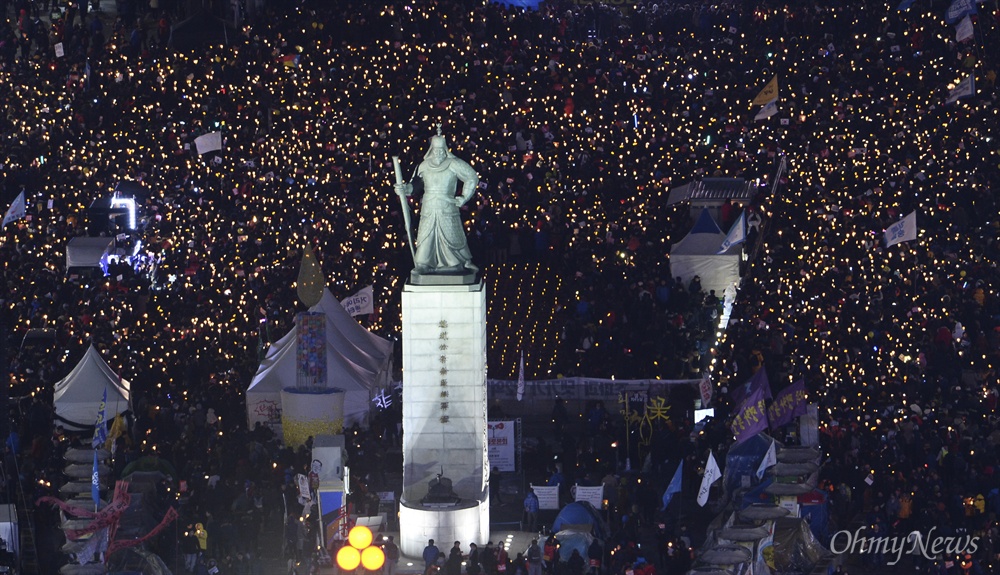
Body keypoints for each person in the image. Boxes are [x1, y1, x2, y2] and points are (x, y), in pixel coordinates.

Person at [395, 127, 480, 277]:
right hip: (428, 206)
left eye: (442, 150)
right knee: (426, 236)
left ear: (446, 149)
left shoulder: (453, 163)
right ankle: (424, 264)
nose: (439, 153)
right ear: (431, 150)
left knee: (450, 235)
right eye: (436, 150)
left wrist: (464, 196)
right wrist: (404, 189)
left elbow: (472, 176)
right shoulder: (424, 166)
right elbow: (415, 185)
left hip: (447, 205)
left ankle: (455, 263)